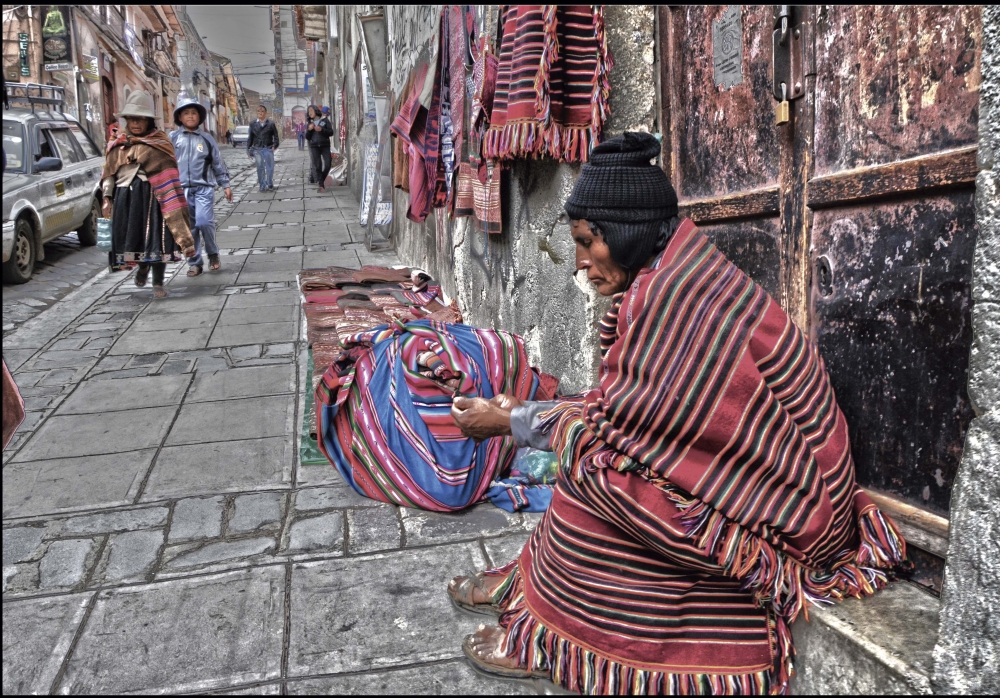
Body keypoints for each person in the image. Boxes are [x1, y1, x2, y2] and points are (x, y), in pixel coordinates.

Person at [446, 133, 906, 694]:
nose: (581, 263)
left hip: (796, 515)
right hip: (796, 493)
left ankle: (556, 636)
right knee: (586, 455)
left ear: (627, 231)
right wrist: (533, 413)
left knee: (591, 482)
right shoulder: (676, 272)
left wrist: (512, 423)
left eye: (588, 242)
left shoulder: (671, 298)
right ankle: (531, 588)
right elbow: (629, 417)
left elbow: (613, 437)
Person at [100, 90, 195, 299]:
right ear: (126, 120)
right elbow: (109, 172)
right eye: (132, 119)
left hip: (155, 197)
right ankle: (142, 267)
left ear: (149, 121)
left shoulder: (160, 142)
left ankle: (158, 282)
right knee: (133, 238)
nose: (136, 123)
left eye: (141, 119)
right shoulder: (118, 143)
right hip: (126, 198)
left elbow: (169, 172)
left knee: (157, 240)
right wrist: (107, 198)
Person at [170, 96, 233, 276]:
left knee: (204, 222)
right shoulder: (173, 139)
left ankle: (212, 253)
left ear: (199, 117)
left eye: (194, 113)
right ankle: (195, 262)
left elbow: (217, 163)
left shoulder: (206, 139)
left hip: (203, 188)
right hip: (182, 190)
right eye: (186, 113)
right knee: (190, 229)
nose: (190, 116)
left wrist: (225, 185)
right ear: (179, 117)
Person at [247, 104, 279, 191]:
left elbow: (276, 137)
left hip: (268, 148)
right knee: (260, 167)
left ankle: (269, 183)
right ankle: (262, 185)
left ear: (265, 113)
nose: (260, 113)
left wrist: (274, 146)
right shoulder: (252, 124)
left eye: (262, 111)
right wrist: (248, 150)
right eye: (258, 111)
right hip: (257, 149)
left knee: (270, 167)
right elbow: (250, 138)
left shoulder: (271, 124)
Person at [307, 104, 333, 192]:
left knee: (328, 164)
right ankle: (321, 185)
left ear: (316, 111)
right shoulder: (310, 123)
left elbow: (331, 132)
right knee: (318, 166)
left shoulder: (325, 121)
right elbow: (307, 137)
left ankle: (321, 178)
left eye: (311, 111)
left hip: (325, 145)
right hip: (314, 146)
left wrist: (322, 130)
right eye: (309, 111)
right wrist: (309, 130)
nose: (310, 113)